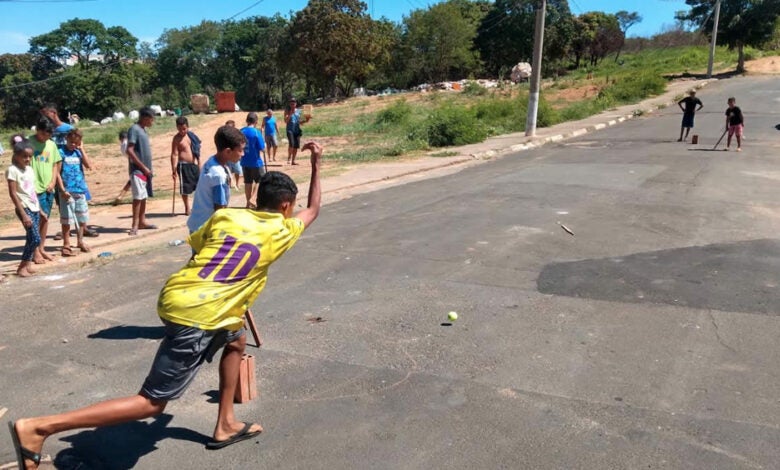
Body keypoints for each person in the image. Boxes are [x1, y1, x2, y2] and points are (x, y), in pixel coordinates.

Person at [7, 142, 324, 470]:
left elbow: (201, 250)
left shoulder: (227, 216)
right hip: (199, 314)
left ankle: (226, 423)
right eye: (292, 206)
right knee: (151, 404)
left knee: (236, 339)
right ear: (285, 206)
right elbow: (314, 209)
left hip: (186, 296)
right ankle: (40, 427)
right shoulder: (282, 230)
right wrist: (316, 164)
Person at [187, 126, 246, 235]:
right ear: (228, 151)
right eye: (240, 150)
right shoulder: (218, 175)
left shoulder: (211, 162)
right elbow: (219, 209)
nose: (243, 154)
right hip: (206, 230)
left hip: (198, 224)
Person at [6, 137, 40, 277]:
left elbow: (32, 190)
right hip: (24, 207)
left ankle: (27, 265)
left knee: (31, 238)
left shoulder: (30, 170)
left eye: (30, 157)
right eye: (24, 156)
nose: (27, 159)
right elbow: (13, 193)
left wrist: (40, 209)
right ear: (16, 156)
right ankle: (22, 266)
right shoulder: (12, 170)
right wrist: (24, 214)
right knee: (36, 238)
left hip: (34, 207)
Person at [30, 118, 61, 263]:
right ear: (38, 130)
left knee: (45, 219)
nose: (45, 138)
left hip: (48, 188)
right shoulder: (28, 143)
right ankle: (35, 251)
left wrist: (53, 181)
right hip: (34, 189)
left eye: (48, 136)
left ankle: (42, 248)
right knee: (35, 221)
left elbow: (55, 164)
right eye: (43, 135)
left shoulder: (51, 144)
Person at [57, 129, 92, 256]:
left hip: (80, 189)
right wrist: (62, 190)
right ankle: (66, 243)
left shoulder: (78, 152)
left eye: (76, 143)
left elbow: (88, 165)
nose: (73, 144)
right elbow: (57, 173)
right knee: (66, 220)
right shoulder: (61, 152)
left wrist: (81, 149)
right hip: (67, 191)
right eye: (71, 142)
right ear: (66, 139)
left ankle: (80, 241)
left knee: (81, 218)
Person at [126, 107, 156, 235]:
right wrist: (143, 167)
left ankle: (142, 221)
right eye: (151, 119)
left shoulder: (143, 130)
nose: (152, 122)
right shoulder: (134, 129)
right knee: (138, 197)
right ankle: (135, 225)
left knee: (143, 196)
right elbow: (129, 150)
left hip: (146, 171)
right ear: (145, 118)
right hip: (138, 171)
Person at [171, 117, 201, 216]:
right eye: (180, 129)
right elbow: (174, 154)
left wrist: (199, 163)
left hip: (193, 165)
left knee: (199, 186)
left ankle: (199, 206)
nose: (182, 131)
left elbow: (197, 150)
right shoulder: (176, 139)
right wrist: (173, 169)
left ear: (187, 127)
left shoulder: (191, 136)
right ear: (177, 127)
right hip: (183, 166)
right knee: (185, 188)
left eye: (184, 129)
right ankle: (187, 208)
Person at [240, 112, 266, 209]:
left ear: (247, 120)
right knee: (261, 179)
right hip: (255, 162)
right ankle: (253, 198)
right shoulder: (256, 132)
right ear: (256, 121)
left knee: (248, 182)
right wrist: (265, 145)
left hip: (244, 161)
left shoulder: (241, 131)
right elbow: (262, 148)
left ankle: (248, 203)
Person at [284, 98, 310, 165]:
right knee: (291, 144)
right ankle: (289, 158)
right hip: (290, 130)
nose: (292, 105)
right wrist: (290, 114)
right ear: (289, 104)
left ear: (296, 104)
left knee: (296, 146)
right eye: (291, 103)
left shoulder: (299, 111)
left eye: (294, 103)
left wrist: (306, 120)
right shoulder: (287, 111)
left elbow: (300, 122)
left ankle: (293, 161)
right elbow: (286, 121)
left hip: (297, 130)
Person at [112, 131, 131, 205]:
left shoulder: (122, 146)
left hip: (130, 161)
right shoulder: (127, 143)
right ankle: (121, 195)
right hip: (135, 161)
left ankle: (121, 195)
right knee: (139, 178)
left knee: (133, 180)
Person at [224, 120, 243, 189]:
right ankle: (229, 185)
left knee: (237, 170)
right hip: (228, 156)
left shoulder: (237, 135)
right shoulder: (224, 136)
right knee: (228, 172)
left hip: (235, 156)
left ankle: (237, 184)